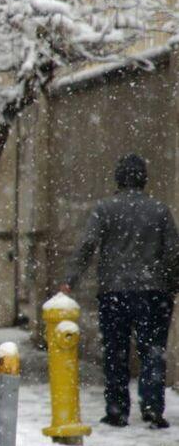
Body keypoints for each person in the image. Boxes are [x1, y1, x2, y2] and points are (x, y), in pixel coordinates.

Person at [62, 153, 179, 429]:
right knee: (152, 351)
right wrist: (171, 283)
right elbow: (173, 252)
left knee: (115, 350)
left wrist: (70, 279)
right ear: (143, 179)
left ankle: (117, 410)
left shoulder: (105, 209)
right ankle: (152, 407)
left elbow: (87, 245)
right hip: (153, 292)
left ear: (118, 179)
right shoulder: (160, 211)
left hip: (114, 291)